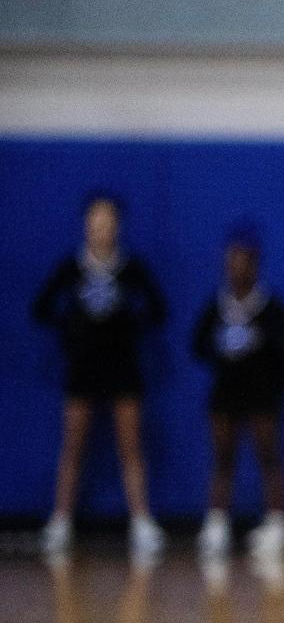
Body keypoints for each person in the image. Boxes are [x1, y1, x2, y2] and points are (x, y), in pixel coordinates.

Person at [32, 193, 167, 556]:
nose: (101, 228)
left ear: (117, 226)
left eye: (107, 222)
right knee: (73, 446)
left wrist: (129, 325)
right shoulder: (72, 268)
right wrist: (69, 328)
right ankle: (60, 522)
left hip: (123, 366)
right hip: (83, 366)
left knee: (130, 447)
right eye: (95, 221)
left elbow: (157, 308)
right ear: (86, 225)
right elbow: (41, 307)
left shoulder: (131, 268)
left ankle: (141, 522)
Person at [192, 223, 284, 558]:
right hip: (225, 393)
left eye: (244, 260)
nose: (237, 266)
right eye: (232, 259)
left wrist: (273, 370)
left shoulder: (269, 307)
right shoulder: (219, 305)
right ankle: (216, 524)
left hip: (261, 396)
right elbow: (197, 343)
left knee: (268, 456)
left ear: (256, 263)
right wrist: (220, 352)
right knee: (223, 458)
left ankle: (276, 523)